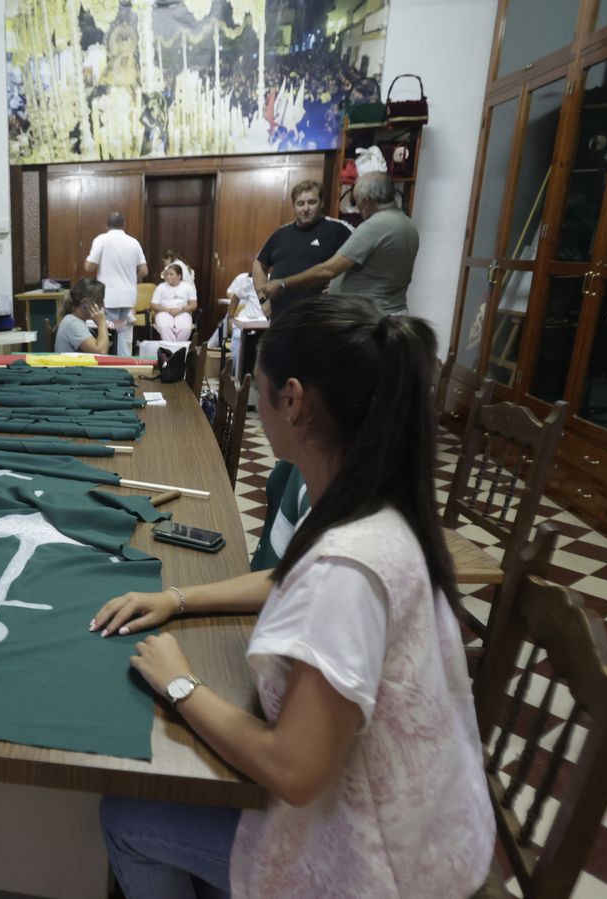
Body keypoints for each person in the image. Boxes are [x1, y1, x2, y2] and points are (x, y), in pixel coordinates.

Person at [90, 294, 493, 897]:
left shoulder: (346, 569)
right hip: (432, 826)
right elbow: (288, 577)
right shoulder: (374, 502)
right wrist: (176, 598)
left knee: (126, 813)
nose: (257, 403)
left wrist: (181, 684)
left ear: (294, 400)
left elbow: (293, 771)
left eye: (260, 388)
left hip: (378, 867)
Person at [263, 172, 419, 316]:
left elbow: (328, 270)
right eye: (300, 203)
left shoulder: (374, 226)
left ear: (366, 202)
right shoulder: (408, 224)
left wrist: (283, 283)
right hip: (390, 311)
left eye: (357, 202)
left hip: (371, 318)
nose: (359, 209)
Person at [252, 179, 353, 318]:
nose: (306, 209)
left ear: (322, 203)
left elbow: (360, 259)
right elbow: (258, 264)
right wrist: (263, 300)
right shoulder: (280, 234)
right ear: (293, 206)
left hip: (321, 319)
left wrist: (341, 288)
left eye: (311, 202)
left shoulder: (338, 229)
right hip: (281, 318)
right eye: (300, 204)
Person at [85, 211, 148, 356]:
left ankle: (105, 366)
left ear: (106, 226)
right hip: (128, 298)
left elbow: (89, 266)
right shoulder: (134, 242)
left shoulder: (101, 240)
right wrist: (133, 280)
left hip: (108, 298)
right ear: (124, 224)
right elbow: (144, 271)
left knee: (104, 333)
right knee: (125, 337)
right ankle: (125, 367)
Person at [54, 277, 111, 353]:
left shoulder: (74, 319)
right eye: (100, 302)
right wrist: (101, 324)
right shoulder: (73, 323)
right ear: (85, 303)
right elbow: (101, 352)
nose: (103, 306)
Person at [152, 263, 198, 342]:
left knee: (185, 328)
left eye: (171, 274)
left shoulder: (188, 287)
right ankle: (171, 350)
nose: (168, 276)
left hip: (182, 312)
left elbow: (193, 305)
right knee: (165, 327)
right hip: (164, 312)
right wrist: (167, 310)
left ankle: (179, 350)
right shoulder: (161, 287)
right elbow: (153, 305)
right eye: (167, 274)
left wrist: (180, 309)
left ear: (179, 276)